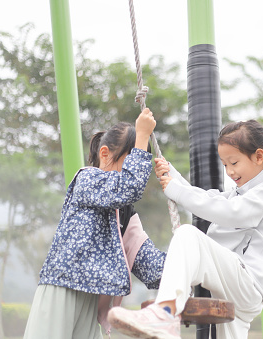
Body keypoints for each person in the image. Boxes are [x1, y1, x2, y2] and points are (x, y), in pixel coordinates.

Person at [108, 119, 263, 339]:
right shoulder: (239, 194)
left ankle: (165, 313)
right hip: (233, 289)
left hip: (246, 285)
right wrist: (171, 174)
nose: (230, 172)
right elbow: (206, 197)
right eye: (225, 165)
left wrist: (176, 191)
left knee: (188, 235)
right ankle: (164, 318)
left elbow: (230, 211)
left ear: (259, 157)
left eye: (233, 163)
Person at [23, 108, 166, 339]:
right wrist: (142, 136)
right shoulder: (87, 179)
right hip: (63, 285)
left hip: (91, 297)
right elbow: (129, 187)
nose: (133, 171)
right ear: (105, 154)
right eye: (129, 161)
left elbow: (153, 268)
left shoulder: (125, 216)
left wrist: (192, 256)